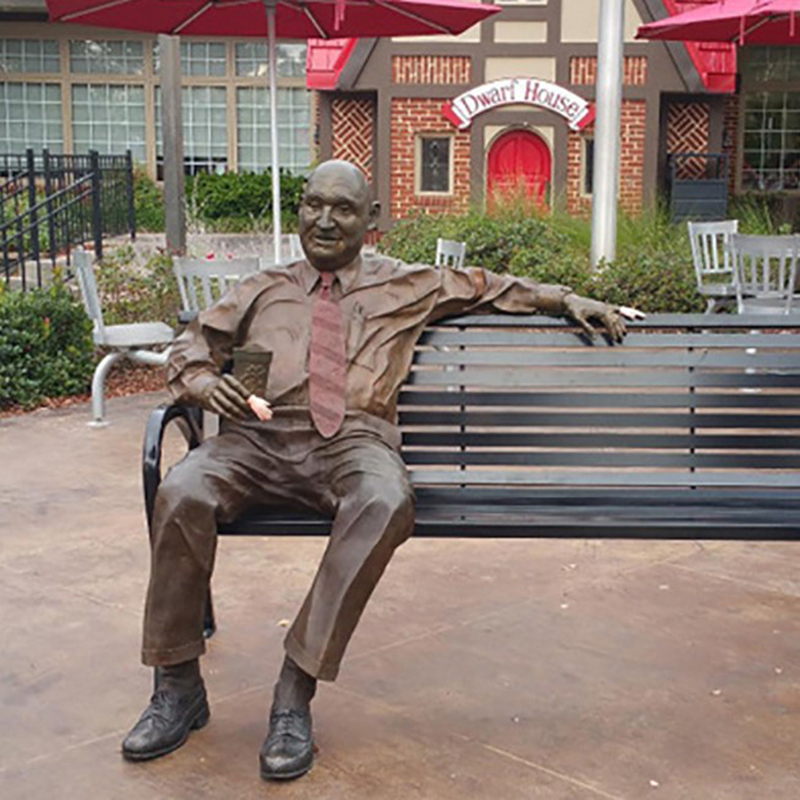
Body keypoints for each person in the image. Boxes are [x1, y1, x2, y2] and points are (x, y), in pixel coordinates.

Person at [121, 159, 639, 781]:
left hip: (352, 441)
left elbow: (489, 286)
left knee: (385, 498)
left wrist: (566, 298)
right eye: (314, 205)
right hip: (256, 441)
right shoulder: (261, 286)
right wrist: (205, 384)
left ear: (370, 219)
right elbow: (193, 347)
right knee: (181, 489)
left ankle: (294, 690)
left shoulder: (407, 284)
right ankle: (177, 687)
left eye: (342, 209)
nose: (324, 221)